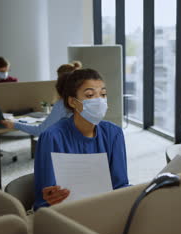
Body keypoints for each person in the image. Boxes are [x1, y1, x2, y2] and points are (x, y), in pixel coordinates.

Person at [34, 68, 129, 209]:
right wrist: (51, 198)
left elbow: (120, 185)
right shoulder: (52, 137)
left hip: (105, 208)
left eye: (103, 94)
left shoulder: (114, 133)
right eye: (90, 95)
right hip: (66, 211)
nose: (99, 101)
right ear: (73, 102)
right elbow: (45, 198)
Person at [0, 61, 82, 136]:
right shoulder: (83, 101)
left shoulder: (63, 104)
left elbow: (40, 131)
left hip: (69, 149)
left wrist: (14, 124)